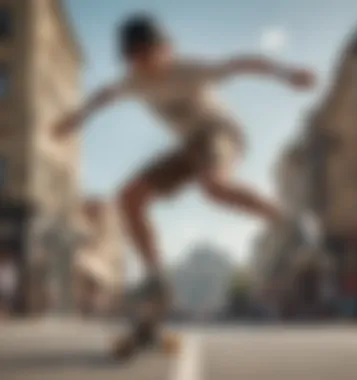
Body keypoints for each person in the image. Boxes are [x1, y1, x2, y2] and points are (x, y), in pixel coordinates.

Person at [53, 14, 315, 349]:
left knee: (214, 187)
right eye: (135, 59)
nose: (144, 65)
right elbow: (104, 95)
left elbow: (240, 64)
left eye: (149, 55)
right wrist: (74, 120)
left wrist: (287, 74)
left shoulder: (190, 69)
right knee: (129, 197)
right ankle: (155, 276)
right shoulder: (134, 81)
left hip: (221, 133)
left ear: (166, 49)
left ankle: (287, 221)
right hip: (188, 147)